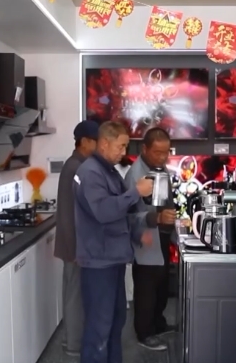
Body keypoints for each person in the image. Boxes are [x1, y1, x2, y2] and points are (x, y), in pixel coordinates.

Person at [75, 121, 155, 363]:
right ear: (104, 144)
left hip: (112, 259)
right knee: (99, 328)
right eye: (120, 146)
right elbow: (104, 211)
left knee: (115, 321)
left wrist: (136, 234)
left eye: (126, 146)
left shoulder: (108, 171)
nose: (124, 152)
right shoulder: (90, 173)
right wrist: (136, 191)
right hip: (98, 262)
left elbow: (120, 212)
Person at [124, 128, 177, 350]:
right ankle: (144, 333)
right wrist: (156, 218)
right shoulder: (135, 176)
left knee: (161, 285)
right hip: (145, 239)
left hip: (161, 237)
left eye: (166, 152)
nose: (163, 157)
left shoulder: (159, 169)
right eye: (158, 152)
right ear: (144, 149)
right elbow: (126, 215)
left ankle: (158, 323)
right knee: (146, 288)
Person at [54, 120, 98, 357]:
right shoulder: (76, 167)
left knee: (74, 293)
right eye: (97, 141)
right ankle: (74, 345)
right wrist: (76, 249)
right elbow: (70, 213)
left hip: (75, 244)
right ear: (85, 142)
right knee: (75, 296)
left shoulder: (78, 165)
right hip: (75, 246)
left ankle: (70, 340)